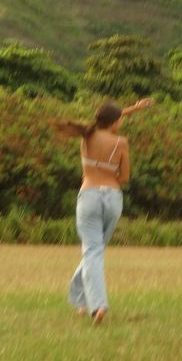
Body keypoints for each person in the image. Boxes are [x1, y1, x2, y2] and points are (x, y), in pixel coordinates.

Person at [50, 96, 154, 324]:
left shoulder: (86, 136)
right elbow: (124, 177)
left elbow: (106, 121)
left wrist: (132, 109)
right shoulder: (121, 142)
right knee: (95, 252)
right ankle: (85, 300)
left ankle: (96, 304)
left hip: (89, 196)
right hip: (113, 199)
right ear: (116, 122)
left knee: (92, 251)